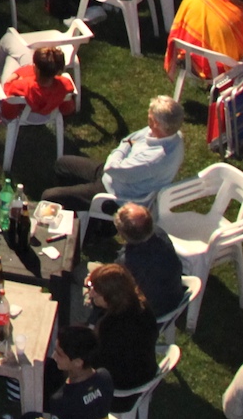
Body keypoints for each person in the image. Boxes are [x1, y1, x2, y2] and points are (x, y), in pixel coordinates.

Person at [42, 94, 185, 214]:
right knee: (62, 164)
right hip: (115, 175)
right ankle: (75, 204)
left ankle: (85, 217)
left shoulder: (153, 160)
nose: (147, 120)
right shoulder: (173, 135)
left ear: (156, 123)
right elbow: (130, 139)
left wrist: (121, 150)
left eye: (150, 118)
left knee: (49, 196)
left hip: (115, 194)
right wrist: (125, 147)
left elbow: (112, 167)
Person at [84, 263, 159, 392]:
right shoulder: (140, 305)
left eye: (96, 291)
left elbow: (98, 362)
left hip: (123, 384)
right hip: (145, 369)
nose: (91, 294)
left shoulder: (112, 325)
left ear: (111, 297)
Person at [113, 204, 189, 322]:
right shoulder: (160, 233)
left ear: (123, 234)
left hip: (149, 312)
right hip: (174, 297)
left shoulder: (128, 261)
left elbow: (116, 288)